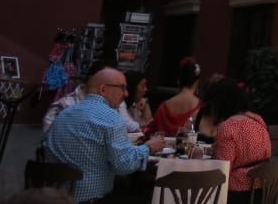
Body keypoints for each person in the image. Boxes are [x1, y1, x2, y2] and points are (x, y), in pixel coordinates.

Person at [43, 67, 164, 203]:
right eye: (122, 88)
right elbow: (124, 165)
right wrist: (149, 147)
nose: (126, 94)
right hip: (90, 199)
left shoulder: (65, 112)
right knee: (145, 192)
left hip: (55, 196)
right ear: (103, 89)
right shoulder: (111, 117)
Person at [199, 78, 271, 204]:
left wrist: (200, 159)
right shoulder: (258, 120)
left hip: (238, 195)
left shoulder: (228, 127)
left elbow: (221, 171)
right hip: (263, 192)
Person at [43, 62, 142, 135]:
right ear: (102, 87)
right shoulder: (63, 106)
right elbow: (49, 145)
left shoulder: (112, 105)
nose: (126, 94)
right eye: (120, 87)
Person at [143, 57, 201, 137]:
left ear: (179, 81)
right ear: (196, 82)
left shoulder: (163, 107)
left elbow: (149, 131)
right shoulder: (200, 108)